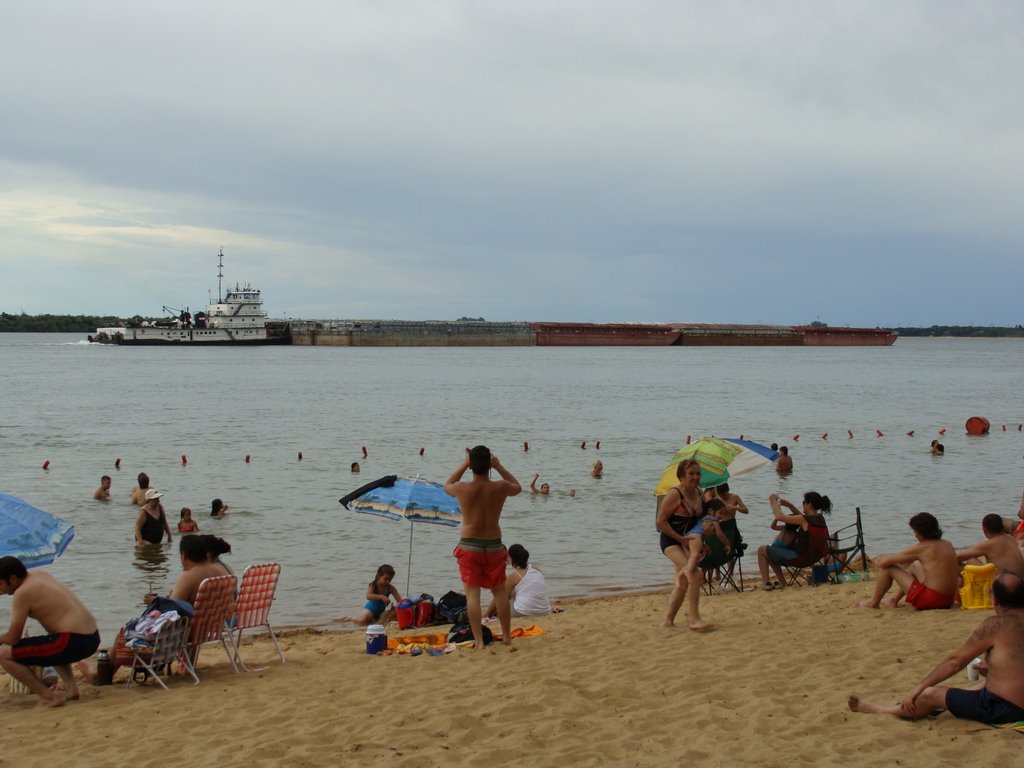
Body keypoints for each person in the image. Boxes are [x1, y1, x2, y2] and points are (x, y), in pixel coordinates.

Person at [849, 571, 1024, 724]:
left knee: (929, 695)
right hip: (1014, 698)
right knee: (982, 684)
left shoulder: (996, 626)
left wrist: (918, 689)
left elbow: (955, 662)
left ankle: (884, 711)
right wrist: (995, 669)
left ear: (994, 600)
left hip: (1006, 709)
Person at [444, 446, 522, 649]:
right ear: (489, 464)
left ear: (471, 465)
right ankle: (506, 637)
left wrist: (464, 463)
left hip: (470, 546)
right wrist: (498, 466)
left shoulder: (462, 488)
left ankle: (479, 641)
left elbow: (447, 484)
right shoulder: (500, 487)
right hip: (494, 545)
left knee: (472, 595)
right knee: (499, 593)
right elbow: (517, 487)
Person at [0, 556, 100, 707]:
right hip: (92, 637)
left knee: (3, 655)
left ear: (13, 579)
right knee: (51, 641)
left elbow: (14, 638)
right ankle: (72, 689)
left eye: (0, 584)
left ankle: (48, 697)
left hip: (72, 641)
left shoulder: (22, 593)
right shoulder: (39, 574)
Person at [857, 512, 959, 610]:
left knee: (888, 567)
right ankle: (893, 599)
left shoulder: (922, 548)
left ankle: (873, 603)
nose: (915, 535)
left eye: (915, 532)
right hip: (948, 599)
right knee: (915, 565)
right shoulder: (947, 544)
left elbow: (886, 562)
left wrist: (879, 560)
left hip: (931, 600)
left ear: (921, 532)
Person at [655, 458, 712, 631]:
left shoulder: (700, 493)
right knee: (693, 573)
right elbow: (660, 522)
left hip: (689, 541)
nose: (695, 477)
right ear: (681, 477)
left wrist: (704, 541)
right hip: (671, 541)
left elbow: (699, 522)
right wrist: (680, 539)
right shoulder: (675, 494)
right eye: (691, 474)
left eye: (698, 474)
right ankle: (694, 619)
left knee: (683, 582)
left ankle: (668, 620)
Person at [757, 492, 831, 590]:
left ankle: (766, 583)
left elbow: (779, 517)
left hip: (800, 558)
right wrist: (789, 505)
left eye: (804, 502)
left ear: (809, 504)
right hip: (813, 557)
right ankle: (782, 583)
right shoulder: (819, 519)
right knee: (770, 551)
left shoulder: (805, 520)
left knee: (762, 550)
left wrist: (773, 501)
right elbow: (801, 516)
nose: (802, 504)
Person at [486, 544, 552, 618]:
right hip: (545, 610)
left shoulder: (514, 576)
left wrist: (487, 614)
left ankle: (486, 615)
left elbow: (501, 597)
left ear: (511, 559)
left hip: (523, 611)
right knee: (513, 593)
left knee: (501, 595)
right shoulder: (536, 569)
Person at [956, 514, 1024, 574]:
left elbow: (957, 557)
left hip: (1003, 584)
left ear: (984, 530)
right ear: (1002, 526)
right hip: (1019, 581)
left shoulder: (990, 544)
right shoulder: (1010, 538)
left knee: (970, 560)